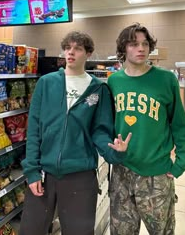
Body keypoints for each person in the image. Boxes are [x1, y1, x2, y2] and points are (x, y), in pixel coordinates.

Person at [19, 31, 131, 235]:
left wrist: (115, 153)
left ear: (88, 53)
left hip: (80, 175)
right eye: (67, 47)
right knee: (31, 230)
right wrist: (32, 170)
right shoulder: (46, 83)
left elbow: (100, 132)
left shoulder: (98, 90)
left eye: (77, 48)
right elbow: (34, 129)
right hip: (45, 173)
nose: (70, 52)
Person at [107, 23, 185, 235]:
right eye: (134, 44)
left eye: (145, 44)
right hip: (121, 172)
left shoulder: (165, 80)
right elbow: (109, 123)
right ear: (123, 48)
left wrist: (180, 163)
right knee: (121, 231)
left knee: (162, 231)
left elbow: (180, 125)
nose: (141, 48)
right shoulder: (114, 81)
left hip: (156, 174)